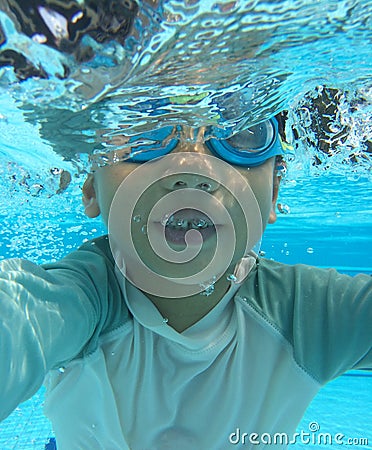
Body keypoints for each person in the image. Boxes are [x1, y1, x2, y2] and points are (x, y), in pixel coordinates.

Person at [0, 116, 371, 450]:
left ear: (273, 193)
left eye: (240, 133)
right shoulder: (74, 301)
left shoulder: (307, 317)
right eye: (144, 132)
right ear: (91, 188)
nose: (192, 169)